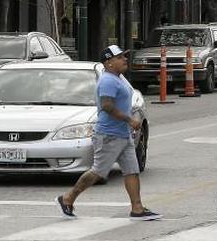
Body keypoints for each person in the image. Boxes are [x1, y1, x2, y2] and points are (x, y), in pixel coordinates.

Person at [57, 45, 160, 222]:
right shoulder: (108, 81)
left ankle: (137, 209)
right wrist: (129, 120)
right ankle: (68, 198)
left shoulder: (118, 78)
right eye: (119, 57)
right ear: (109, 62)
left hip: (122, 134)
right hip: (109, 135)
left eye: (124, 56)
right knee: (98, 172)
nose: (124, 59)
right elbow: (107, 106)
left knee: (132, 170)